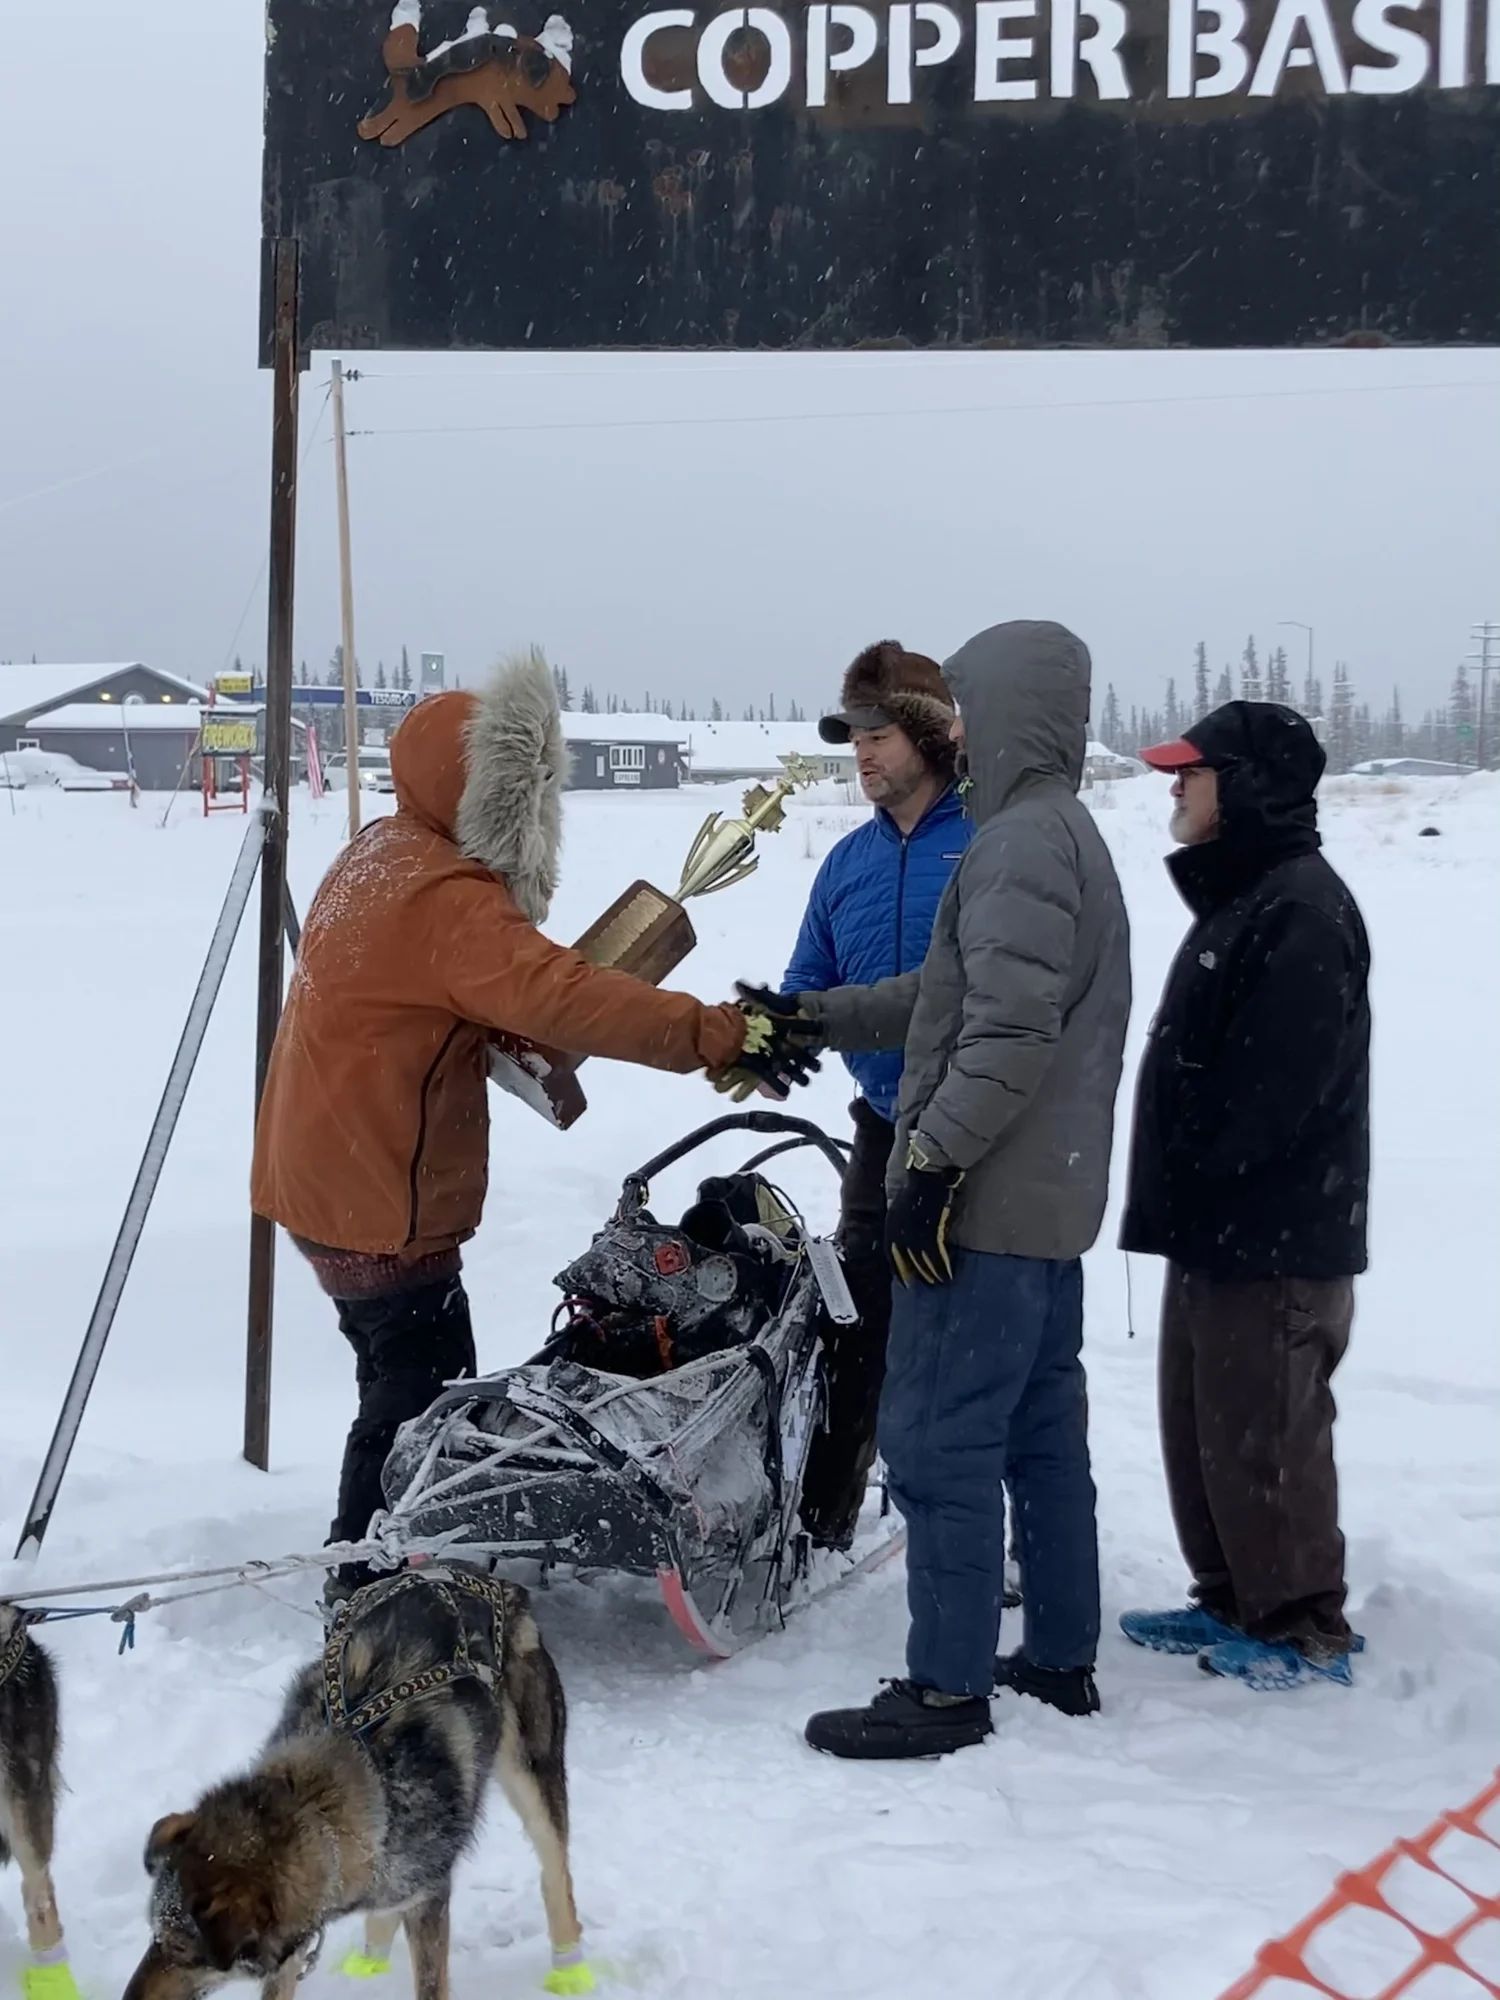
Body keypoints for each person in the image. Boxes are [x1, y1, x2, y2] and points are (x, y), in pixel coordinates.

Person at [250, 651, 817, 1606]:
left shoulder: (380, 853)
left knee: (404, 1372)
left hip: (325, 1174)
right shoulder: (446, 901)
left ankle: (385, 1554)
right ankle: (369, 1576)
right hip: (379, 1194)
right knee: (420, 1388)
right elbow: (566, 997)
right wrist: (711, 1032)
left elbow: (476, 996)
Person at [784, 621, 1132, 1759]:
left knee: (935, 1439)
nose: (960, 732)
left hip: (986, 1198)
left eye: (969, 708)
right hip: (1044, 1201)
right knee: (1039, 1432)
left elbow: (1005, 1035)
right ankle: (1059, 1655)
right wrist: (815, 1016)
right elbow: (947, 991)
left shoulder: (1021, 841)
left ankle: (943, 1686)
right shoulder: (1053, 833)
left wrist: (927, 1164)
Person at [1118, 701, 1370, 1691]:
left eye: (1193, 770)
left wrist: (1204, 1166)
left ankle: (1302, 1621)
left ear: (1250, 783)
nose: (1173, 785)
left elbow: (1277, 1089)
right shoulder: (1251, 892)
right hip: (1218, 1227)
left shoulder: (1300, 906)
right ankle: (1230, 1592)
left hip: (1273, 1234)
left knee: (1266, 1425)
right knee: (1205, 1420)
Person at [780, 640, 970, 1550]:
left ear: (930, 737)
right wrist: (766, 1036)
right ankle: (827, 1521)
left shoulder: (987, 844)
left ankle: (985, 1536)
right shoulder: (846, 866)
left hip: (981, 1135)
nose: (861, 751)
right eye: (852, 734)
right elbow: (806, 979)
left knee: (974, 1345)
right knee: (856, 1326)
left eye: (879, 732)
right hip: (881, 1127)